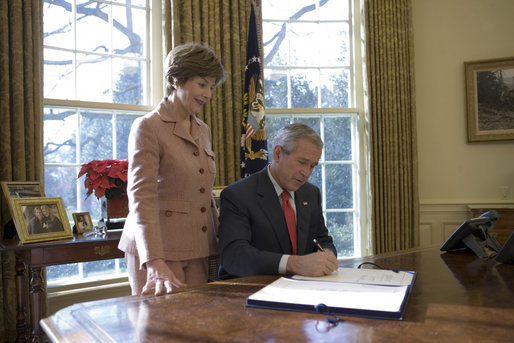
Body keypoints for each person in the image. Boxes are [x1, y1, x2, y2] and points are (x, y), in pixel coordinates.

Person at [118, 42, 226, 296]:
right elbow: (141, 198)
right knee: (160, 332)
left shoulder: (203, 129)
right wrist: (154, 261)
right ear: (177, 79)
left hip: (199, 249)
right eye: (202, 84)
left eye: (211, 86)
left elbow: (202, 192)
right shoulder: (148, 127)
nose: (208, 94)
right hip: (158, 253)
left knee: (199, 330)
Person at [218, 123, 338, 279]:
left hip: (301, 287)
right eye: (302, 162)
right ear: (277, 154)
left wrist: (327, 255)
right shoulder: (238, 195)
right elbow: (235, 255)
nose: (306, 173)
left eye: (312, 166)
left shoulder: (310, 193)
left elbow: (322, 239)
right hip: (250, 288)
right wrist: (293, 264)